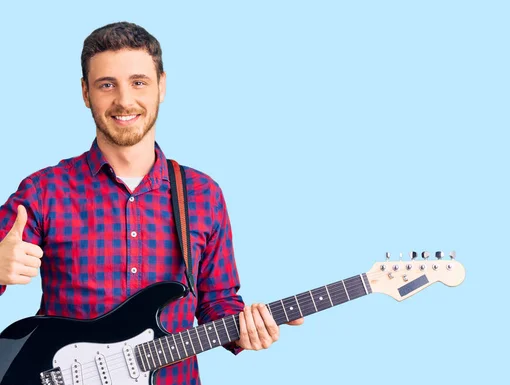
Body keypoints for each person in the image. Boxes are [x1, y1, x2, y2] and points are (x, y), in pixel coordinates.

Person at [0, 21, 302, 385]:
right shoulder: (45, 190)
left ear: (161, 85)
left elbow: (217, 302)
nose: (125, 100)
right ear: (85, 93)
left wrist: (246, 328)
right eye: (106, 84)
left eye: (138, 82)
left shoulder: (203, 194)